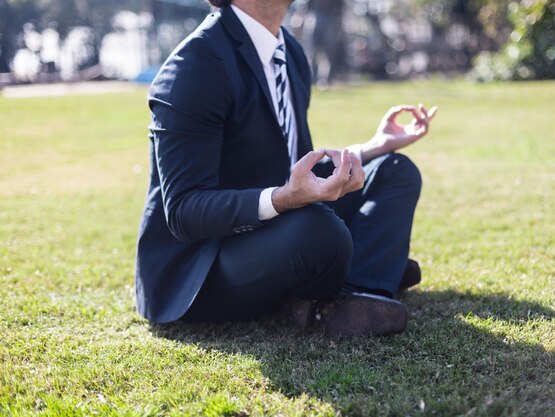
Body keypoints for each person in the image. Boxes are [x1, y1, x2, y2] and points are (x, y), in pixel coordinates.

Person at [135, 0, 438, 336]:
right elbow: (184, 211)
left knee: (395, 170)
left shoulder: (289, 52)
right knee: (319, 231)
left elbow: (295, 168)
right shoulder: (194, 66)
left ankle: (358, 292)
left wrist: (373, 146)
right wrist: (282, 199)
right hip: (203, 263)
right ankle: (371, 265)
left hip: (275, 225)